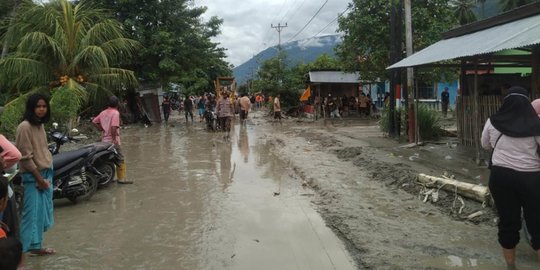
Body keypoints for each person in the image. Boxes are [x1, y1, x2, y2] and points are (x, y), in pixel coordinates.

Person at [481, 87, 540, 269]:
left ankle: (511, 266)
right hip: (531, 179)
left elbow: (485, 145)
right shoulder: (536, 124)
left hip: (501, 178)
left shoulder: (492, 121)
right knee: (537, 222)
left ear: (505, 102)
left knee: (508, 222)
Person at [15, 93, 55, 255]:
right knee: (30, 215)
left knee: (39, 215)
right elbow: (25, 158)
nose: (41, 109)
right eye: (38, 106)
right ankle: (22, 254)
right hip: (34, 177)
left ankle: (35, 246)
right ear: (31, 108)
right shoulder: (24, 127)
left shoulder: (40, 125)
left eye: (44, 106)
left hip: (45, 173)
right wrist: (39, 179)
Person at [93, 96, 132, 184]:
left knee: (109, 159)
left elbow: (94, 121)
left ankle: (111, 177)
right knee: (120, 158)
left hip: (104, 141)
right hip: (112, 141)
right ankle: (121, 179)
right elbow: (114, 127)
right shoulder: (115, 113)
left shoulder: (103, 112)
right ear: (117, 104)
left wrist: (101, 129)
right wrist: (114, 139)